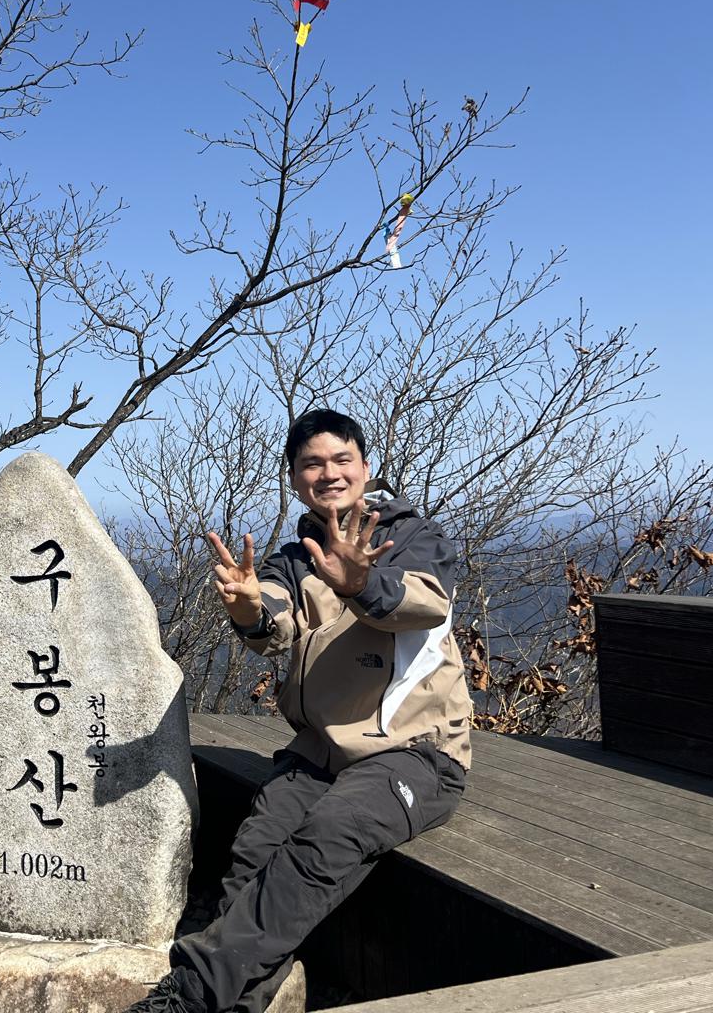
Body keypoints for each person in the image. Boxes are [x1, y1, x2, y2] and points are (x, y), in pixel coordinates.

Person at [125, 408, 472, 1013]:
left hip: (414, 755)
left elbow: (424, 605)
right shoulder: (295, 556)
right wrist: (246, 607)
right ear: (293, 478)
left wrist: (361, 582)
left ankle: (189, 997)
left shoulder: (413, 538)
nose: (329, 473)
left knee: (326, 836)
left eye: (342, 459)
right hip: (320, 753)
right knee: (254, 854)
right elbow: (273, 620)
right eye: (312, 463)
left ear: (365, 466)